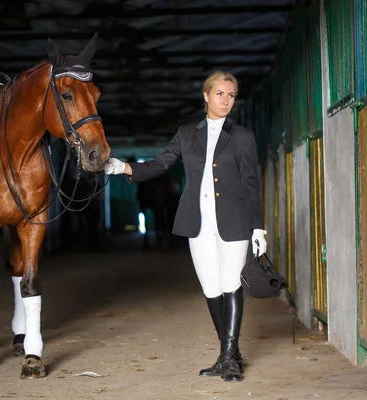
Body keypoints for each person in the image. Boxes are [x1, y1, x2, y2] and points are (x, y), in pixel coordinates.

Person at [104, 71, 267, 382]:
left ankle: (229, 360)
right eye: (220, 94)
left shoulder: (243, 136)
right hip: (197, 222)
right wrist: (124, 167)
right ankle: (228, 355)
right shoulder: (187, 133)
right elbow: (161, 163)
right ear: (206, 96)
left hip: (234, 221)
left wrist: (257, 228)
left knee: (231, 284)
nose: (226, 101)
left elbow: (250, 183)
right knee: (210, 288)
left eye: (231, 95)